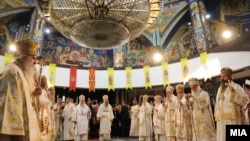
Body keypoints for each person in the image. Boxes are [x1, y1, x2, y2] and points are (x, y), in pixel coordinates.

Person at [0, 38, 41, 141]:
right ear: (24, 58)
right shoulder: (12, 71)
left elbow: (21, 99)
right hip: (13, 132)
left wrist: (32, 93)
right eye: (33, 58)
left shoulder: (21, 72)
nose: (35, 62)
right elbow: (9, 103)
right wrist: (16, 130)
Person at [214, 67, 249, 141]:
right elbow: (217, 104)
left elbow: (244, 101)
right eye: (221, 76)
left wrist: (234, 93)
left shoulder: (237, 87)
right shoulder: (220, 89)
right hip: (221, 119)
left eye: (224, 76)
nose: (222, 78)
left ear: (229, 76)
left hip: (232, 119)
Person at [39, 75, 52, 141]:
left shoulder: (43, 91)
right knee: (43, 133)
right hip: (43, 114)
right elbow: (41, 101)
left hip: (45, 112)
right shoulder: (42, 91)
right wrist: (48, 100)